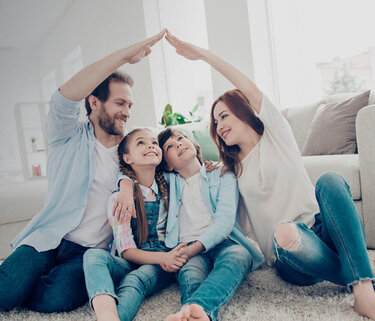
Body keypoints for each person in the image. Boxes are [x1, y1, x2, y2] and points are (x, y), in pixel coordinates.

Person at [164, 30, 375, 320]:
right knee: (285, 232)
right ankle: (359, 271)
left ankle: (363, 288)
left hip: (323, 231)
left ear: (244, 110)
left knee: (330, 180)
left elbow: (246, 85)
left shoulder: (277, 134)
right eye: (215, 121)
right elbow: (207, 200)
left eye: (224, 115)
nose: (220, 125)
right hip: (290, 256)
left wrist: (202, 55)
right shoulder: (230, 170)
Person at [0, 30, 166, 313]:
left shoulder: (129, 151)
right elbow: (61, 101)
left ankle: (33, 281)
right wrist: (123, 57)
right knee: (6, 293)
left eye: (130, 105)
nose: (127, 112)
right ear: (94, 102)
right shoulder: (65, 136)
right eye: (119, 103)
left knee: (57, 300)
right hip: (50, 237)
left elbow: (167, 161)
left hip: (89, 252)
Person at [117, 128, 264, 321]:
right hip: (185, 246)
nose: (178, 143)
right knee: (191, 276)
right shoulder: (167, 182)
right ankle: (194, 314)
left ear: (194, 145)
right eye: (170, 146)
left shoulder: (222, 173)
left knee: (238, 256)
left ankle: (193, 309)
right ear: (167, 164)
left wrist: (190, 251)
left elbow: (224, 223)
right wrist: (125, 184)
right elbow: (140, 173)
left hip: (225, 242)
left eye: (181, 138)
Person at [83, 128, 189, 321]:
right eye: (141, 142)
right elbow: (126, 251)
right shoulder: (120, 199)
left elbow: (191, 170)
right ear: (127, 158)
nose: (151, 145)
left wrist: (210, 165)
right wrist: (125, 184)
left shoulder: (170, 185)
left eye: (154, 143)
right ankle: (106, 314)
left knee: (135, 280)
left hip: (161, 260)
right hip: (129, 260)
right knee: (93, 255)